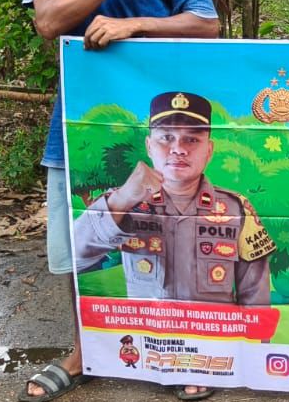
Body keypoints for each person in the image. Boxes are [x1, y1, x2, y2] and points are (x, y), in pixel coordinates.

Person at [18, 0, 221, 402]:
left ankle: (181, 351)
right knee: (79, 248)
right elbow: (49, 21)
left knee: (178, 245)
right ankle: (83, 353)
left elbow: (207, 24)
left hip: (164, 129)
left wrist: (134, 24)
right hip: (82, 127)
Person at [71, 90, 274, 307]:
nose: (178, 149)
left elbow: (256, 296)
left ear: (209, 150)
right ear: (149, 146)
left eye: (192, 139)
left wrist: (253, 340)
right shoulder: (122, 202)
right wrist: (122, 199)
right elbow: (73, 258)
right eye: (167, 137)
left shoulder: (236, 208)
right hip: (147, 337)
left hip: (213, 337)